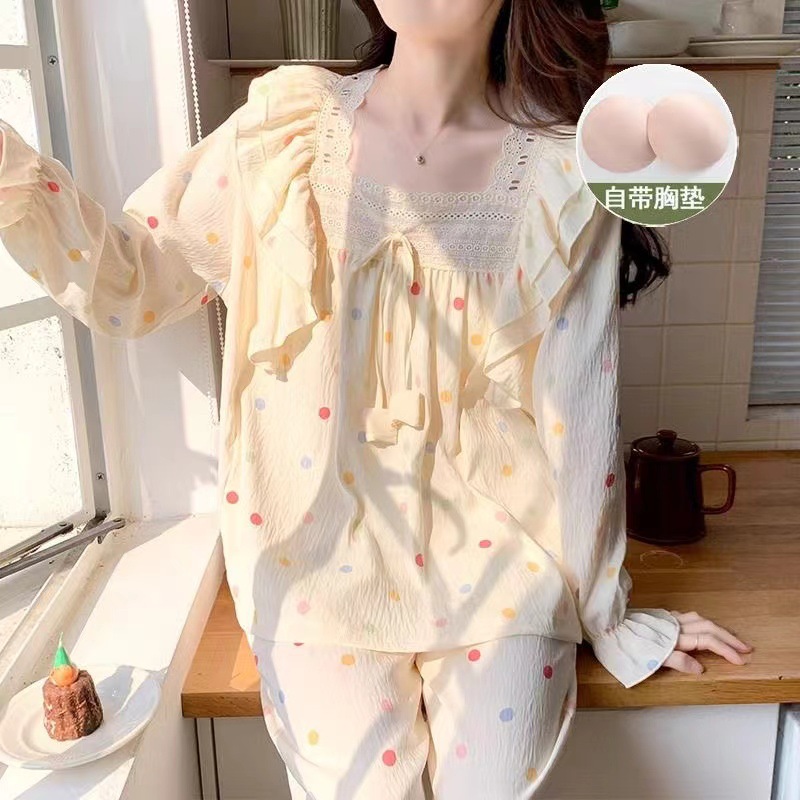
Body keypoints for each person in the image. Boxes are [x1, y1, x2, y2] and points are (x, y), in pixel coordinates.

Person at [0, 0, 753, 797]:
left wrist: (608, 614)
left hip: (507, 571)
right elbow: (133, 282)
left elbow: (581, 413)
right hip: (313, 570)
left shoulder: (561, 175)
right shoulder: (283, 132)